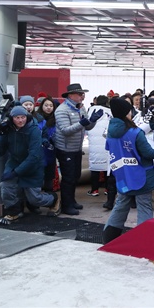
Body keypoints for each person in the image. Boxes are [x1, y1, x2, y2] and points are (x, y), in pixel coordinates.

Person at [102, 98, 154, 244]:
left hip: (122, 175)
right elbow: (149, 153)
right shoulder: (134, 132)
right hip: (142, 176)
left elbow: (108, 148)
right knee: (144, 207)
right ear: (127, 113)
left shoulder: (110, 132)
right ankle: (144, 240)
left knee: (120, 206)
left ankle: (108, 238)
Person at [0, 106, 61, 224]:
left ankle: (54, 199)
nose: (20, 120)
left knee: (35, 199)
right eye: (17, 118)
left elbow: (34, 156)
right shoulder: (9, 129)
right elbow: (0, 152)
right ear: (12, 119)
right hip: (14, 162)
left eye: (23, 117)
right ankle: (13, 212)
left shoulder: (33, 130)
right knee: (6, 186)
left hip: (32, 166)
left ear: (27, 117)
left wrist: (16, 172)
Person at [55, 83, 104, 215]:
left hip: (76, 148)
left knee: (75, 176)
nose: (83, 96)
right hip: (65, 149)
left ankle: (71, 201)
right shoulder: (62, 110)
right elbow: (66, 131)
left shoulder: (80, 109)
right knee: (68, 178)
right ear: (71, 95)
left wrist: (93, 120)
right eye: (80, 94)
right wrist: (83, 122)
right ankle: (66, 205)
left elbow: (87, 128)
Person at [86, 95, 112, 197]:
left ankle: (94, 190)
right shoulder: (109, 112)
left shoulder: (91, 110)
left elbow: (87, 125)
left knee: (94, 166)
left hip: (93, 143)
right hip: (106, 142)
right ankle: (107, 189)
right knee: (107, 167)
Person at [36, 96, 58, 193]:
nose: (48, 108)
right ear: (42, 106)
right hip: (37, 153)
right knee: (38, 179)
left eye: (51, 106)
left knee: (49, 178)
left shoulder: (56, 119)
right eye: (46, 105)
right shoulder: (36, 118)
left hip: (50, 152)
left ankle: (50, 200)